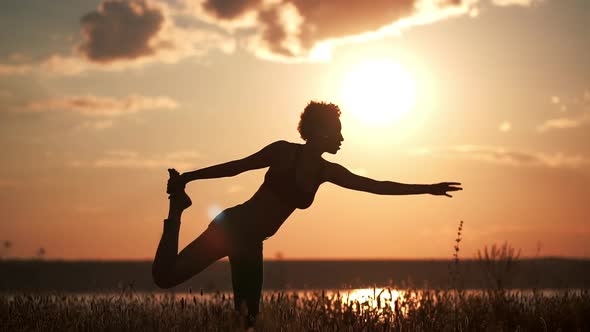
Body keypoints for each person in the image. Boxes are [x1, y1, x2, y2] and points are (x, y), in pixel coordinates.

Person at [152, 101, 462, 327]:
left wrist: (426, 188)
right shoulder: (283, 151)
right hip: (232, 227)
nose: (342, 139)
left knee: (247, 319)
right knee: (166, 278)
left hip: (251, 242)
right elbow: (237, 167)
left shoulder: (327, 171)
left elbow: (375, 186)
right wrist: (188, 178)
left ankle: (178, 208)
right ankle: (176, 210)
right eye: (337, 132)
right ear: (319, 132)